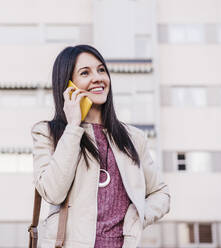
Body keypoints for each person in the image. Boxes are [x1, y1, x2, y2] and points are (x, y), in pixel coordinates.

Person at [31, 44, 170, 248]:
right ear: (68, 85)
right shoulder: (47, 133)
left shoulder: (133, 138)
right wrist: (73, 127)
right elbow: (53, 192)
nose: (98, 78)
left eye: (101, 70)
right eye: (85, 73)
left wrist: (138, 216)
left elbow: (160, 193)